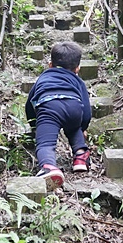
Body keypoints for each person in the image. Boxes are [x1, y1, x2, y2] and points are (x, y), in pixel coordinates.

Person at [25, 41, 92, 189]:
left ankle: (49, 167)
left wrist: (35, 125)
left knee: (45, 144)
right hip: (74, 107)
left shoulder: (43, 78)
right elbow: (86, 108)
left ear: (50, 65)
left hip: (49, 109)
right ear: (77, 69)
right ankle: (80, 156)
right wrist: (83, 126)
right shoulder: (78, 81)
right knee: (74, 128)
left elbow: (29, 103)